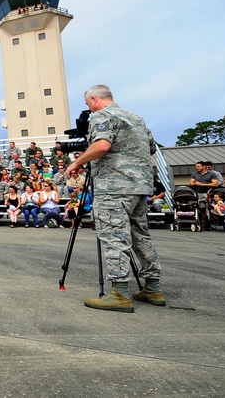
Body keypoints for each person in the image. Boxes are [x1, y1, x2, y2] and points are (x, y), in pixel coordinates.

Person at [66, 85, 163, 313]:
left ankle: (119, 293)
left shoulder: (102, 116)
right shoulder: (135, 118)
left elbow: (102, 145)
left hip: (114, 187)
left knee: (114, 237)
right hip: (139, 186)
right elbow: (150, 147)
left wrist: (77, 162)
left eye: (88, 103)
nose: (88, 108)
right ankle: (153, 287)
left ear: (94, 99)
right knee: (140, 235)